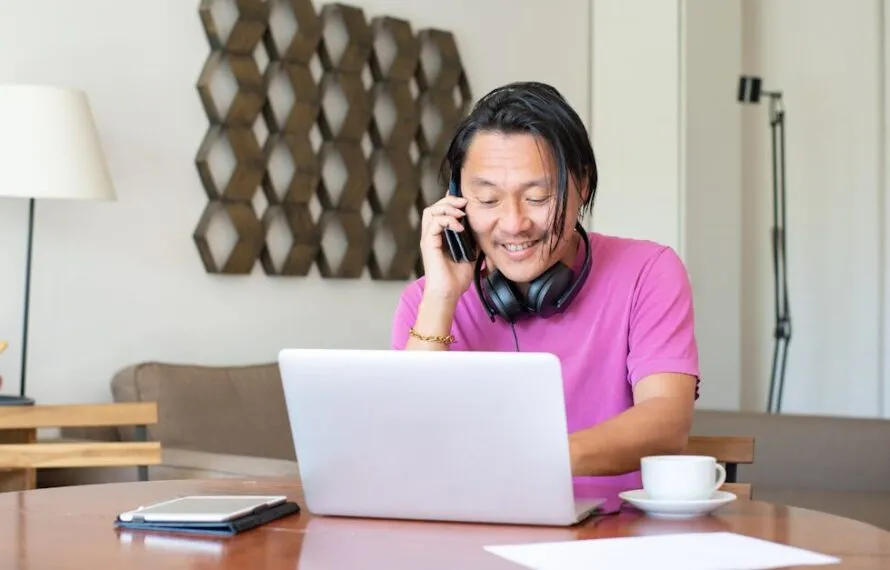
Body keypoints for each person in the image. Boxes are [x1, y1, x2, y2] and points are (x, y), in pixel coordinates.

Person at [390, 81, 699, 492]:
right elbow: (405, 443)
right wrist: (442, 298)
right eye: (487, 200)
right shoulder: (428, 300)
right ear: (457, 201)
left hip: (615, 537)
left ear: (582, 185)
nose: (514, 223)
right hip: (470, 535)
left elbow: (667, 419)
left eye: (538, 197)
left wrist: (540, 457)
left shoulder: (649, 272)